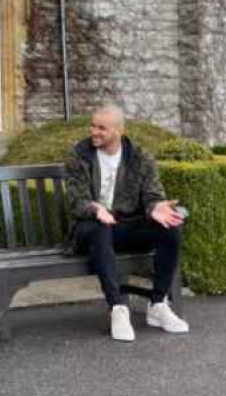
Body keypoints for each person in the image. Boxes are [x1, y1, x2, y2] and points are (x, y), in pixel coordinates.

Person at [65, 105, 189, 342]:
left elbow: (152, 195)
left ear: (119, 131)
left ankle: (158, 303)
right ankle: (118, 308)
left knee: (170, 228)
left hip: (123, 227)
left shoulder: (139, 157)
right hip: (88, 228)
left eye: (102, 128)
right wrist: (96, 209)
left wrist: (156, 208)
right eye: (93, 126)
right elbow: (76, 199)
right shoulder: (79, 154)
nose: (94, 132)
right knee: (100, 228)